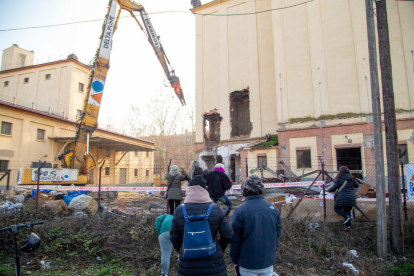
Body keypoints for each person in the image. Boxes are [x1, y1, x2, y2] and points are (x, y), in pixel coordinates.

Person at [170, 175, 234, 276]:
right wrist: (218, 247)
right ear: (205, 189)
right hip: (214, 266)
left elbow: (174, 236)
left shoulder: (179, 210)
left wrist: (182, 248)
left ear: (189, 189)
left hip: (187, 266)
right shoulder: (215, 209)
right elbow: (228, 234)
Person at [230, 175, 282, 276]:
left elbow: (234, 238)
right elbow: (277, 234)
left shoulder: (240, 211)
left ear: (244, 191)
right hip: (267, 261)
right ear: (262, 189)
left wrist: (234, 259)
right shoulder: (273, 209)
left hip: (247, 263)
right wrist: (272, 251)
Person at [328, 166, 359, 231]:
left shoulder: (338, 178)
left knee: (337, 209)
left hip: (342, 198)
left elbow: (333, 188)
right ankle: (348, 227)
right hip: (351, 198)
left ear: (340, 171)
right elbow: (357, 185)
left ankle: (347, 217)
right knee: (348, 211)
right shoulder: (352, 178)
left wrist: (328, 189)